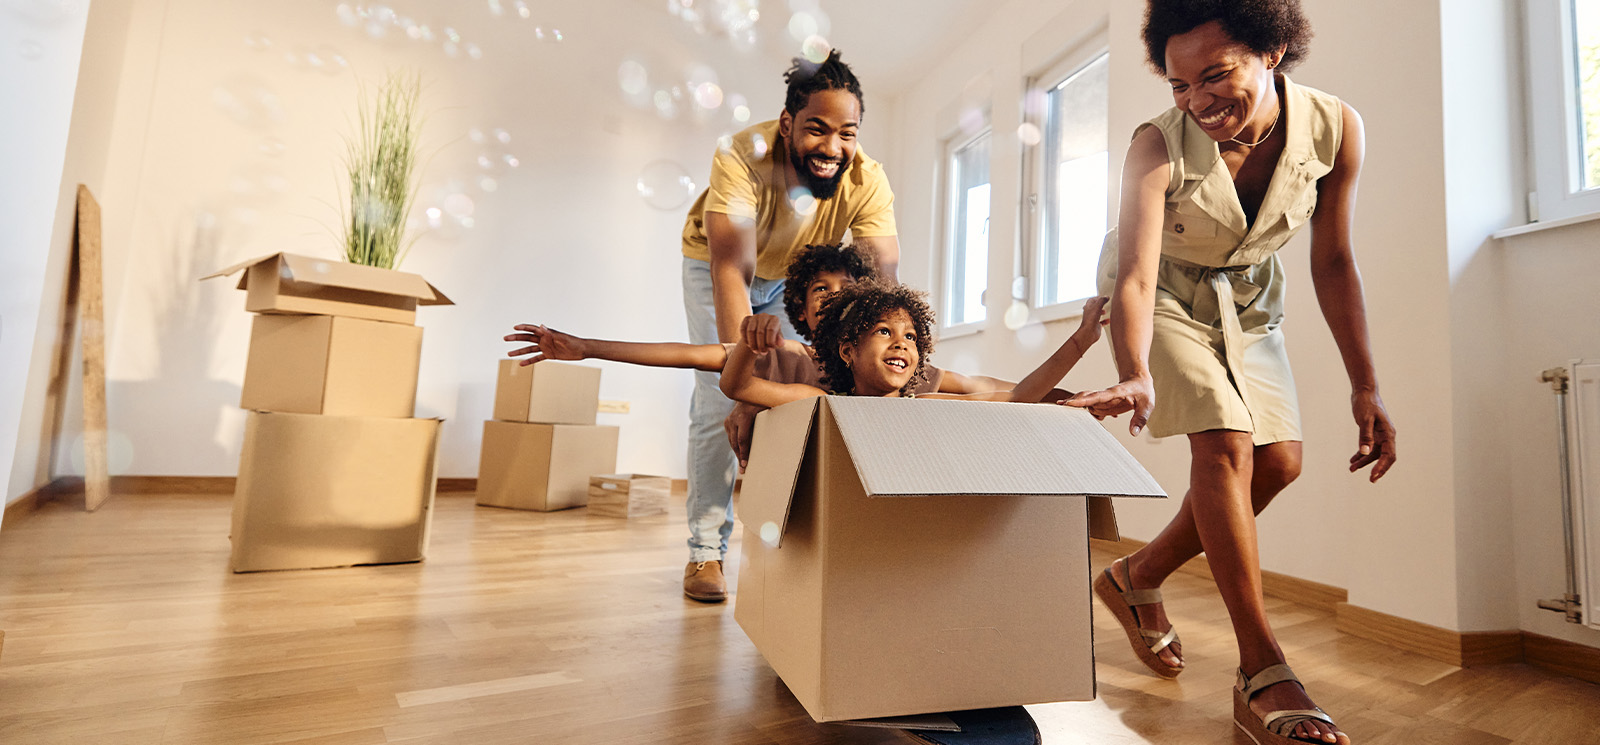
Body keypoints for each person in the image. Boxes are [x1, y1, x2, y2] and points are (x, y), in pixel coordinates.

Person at [1065, 3, 1395, 744]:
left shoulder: (1337, 129)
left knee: (1278, 464)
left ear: (1273, 50)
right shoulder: (1156, 144)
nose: (1197, 101)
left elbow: (1334, 258)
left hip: (1248, 298)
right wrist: (1135, 369)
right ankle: (1262, 670)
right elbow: (1136, 276)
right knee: (1222, 444)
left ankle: (1134, 574)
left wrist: (1364, 383)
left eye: (1215, 75)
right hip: (1161, 294)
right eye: (1180, 85)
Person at [679, 50, 899, 604]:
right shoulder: (741, 155)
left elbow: (881, 282)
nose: (832, 148)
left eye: (846, 133)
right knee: (720, 397)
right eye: (816, 130)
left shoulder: (868, 180)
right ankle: (706, 550)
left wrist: (883, 366)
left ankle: (786, 545)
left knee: (802, 394)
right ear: (786, 124)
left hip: (796, 281)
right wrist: (743, 388)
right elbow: (733, 267)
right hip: (721, 266)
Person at [721, 281, 1106, 406]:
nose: (901, 344)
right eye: (884, 332)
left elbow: (1020, 396)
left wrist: (1082, 339)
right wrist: (747, 344)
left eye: (910, 337)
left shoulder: (925, 405)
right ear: (848, 350)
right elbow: (737, 386)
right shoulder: (825, 405)